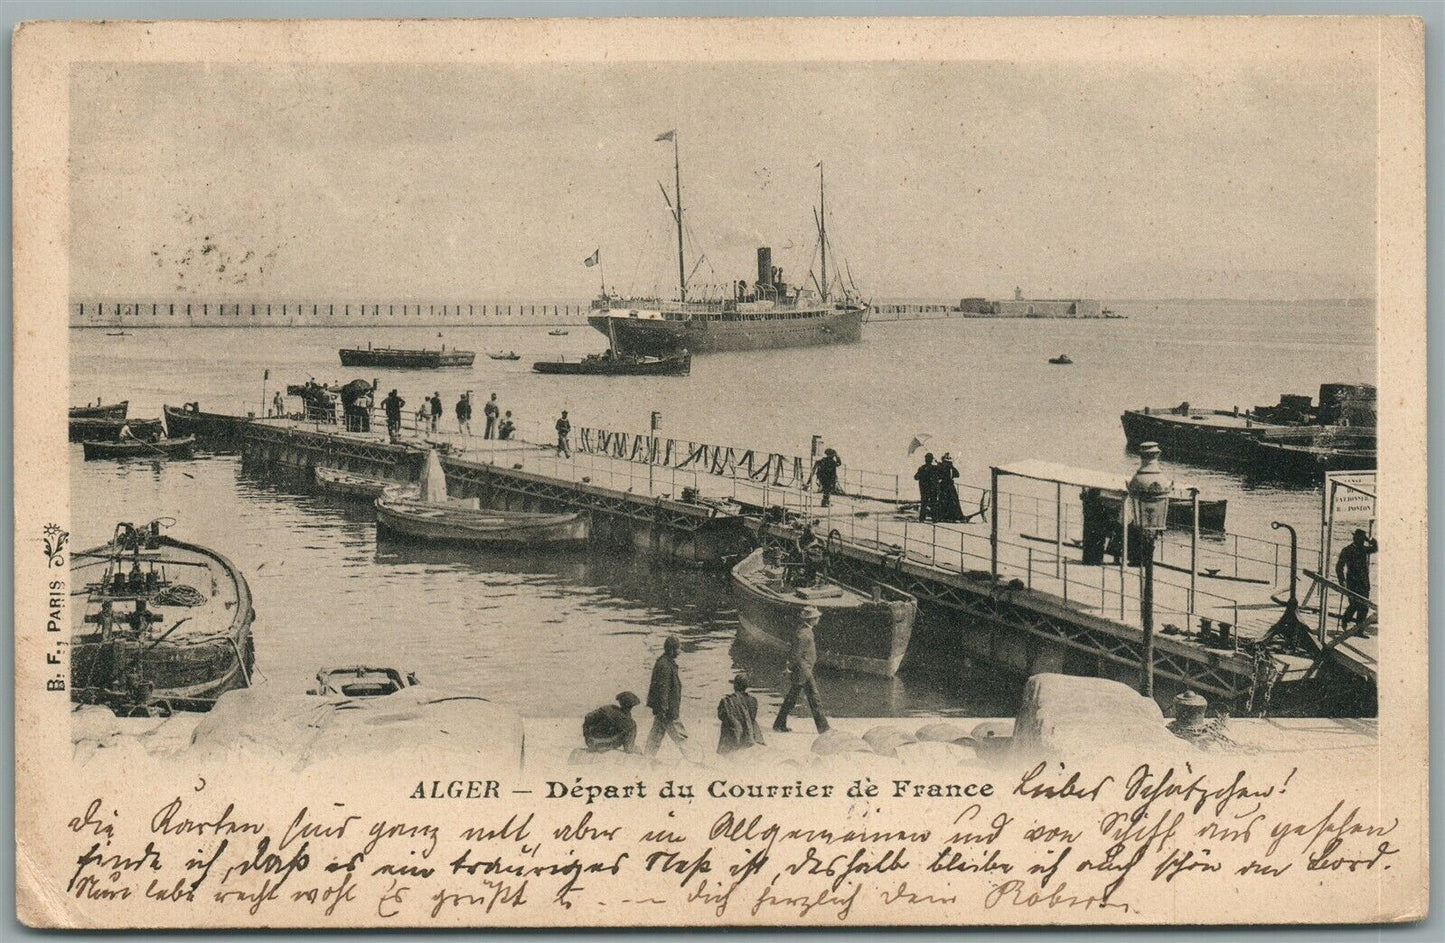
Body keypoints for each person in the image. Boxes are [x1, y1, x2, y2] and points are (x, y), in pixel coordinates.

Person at [773, 606, 829, 734]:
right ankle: (824, 729)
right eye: (817, 617)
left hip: (803, 670)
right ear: (812, 620)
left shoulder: (804, 630)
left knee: (791, 698)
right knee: (814, 699)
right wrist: (793, 667)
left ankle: (779, 724)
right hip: (804, 670)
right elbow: (796, 655)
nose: (818, 619)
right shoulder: (804, 634)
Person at [644, 635, 687, 756]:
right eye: (678, 649)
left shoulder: (665, 662)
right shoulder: (665, 666)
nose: (680, 651)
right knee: (680, 735)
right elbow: (663, 690)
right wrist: (664, 709)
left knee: (656, 734)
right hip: (667, 710)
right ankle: (693, 758)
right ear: (672, 650)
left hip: (662, 709)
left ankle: (648, 756)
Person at [1335, 529, 1379, 631]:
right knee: (1354, 605)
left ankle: (1359, 630)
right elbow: (1339, 567)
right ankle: (1345, 619)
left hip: (1364, 582)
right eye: (1360, 539)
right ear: (1355, 538)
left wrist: (1370, 539)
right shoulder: (1347, 550)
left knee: (1364, 607)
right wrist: (1342, 580)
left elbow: (1376, 548)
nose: (1362, 541)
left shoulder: (1363, 549)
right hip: (1352, 582)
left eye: (1363, 539)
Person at [716, 673, 764, 755]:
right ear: (746, 686)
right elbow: (753, 716)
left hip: (733, 736)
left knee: (728, 722)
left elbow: (721, 716)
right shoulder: (753, 700)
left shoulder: (727, 700)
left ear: (735, 685)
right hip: (748, 734)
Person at [934, 453, 964, 523]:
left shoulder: (942, 466)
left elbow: (938, 474)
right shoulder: (951, 467)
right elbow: (957, 474)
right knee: (953, 501)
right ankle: (954, 516)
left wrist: (939, 465)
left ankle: (943, 516)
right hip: (950, 486)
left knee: (943, 500)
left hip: (944, 486)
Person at [913, 452, 939, 522]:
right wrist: (938, 462)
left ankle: (922, 519)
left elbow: (916, 477)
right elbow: (941, 472)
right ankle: (935, 519)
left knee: (924, 503)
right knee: (933, 503)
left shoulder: (922, 468)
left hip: (924, 489)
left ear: (925, 459)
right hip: (933, 489)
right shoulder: (935, 468)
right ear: (931, 460)